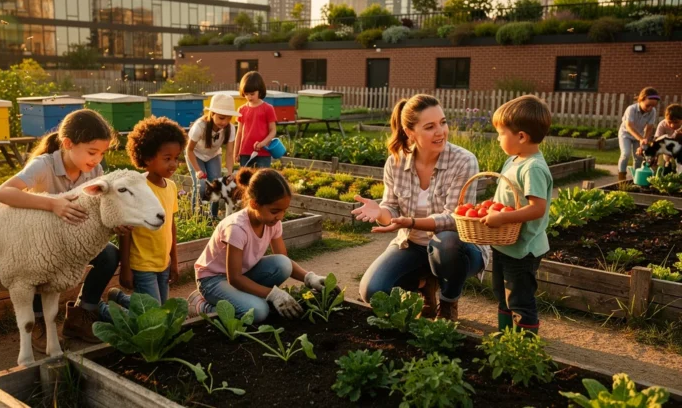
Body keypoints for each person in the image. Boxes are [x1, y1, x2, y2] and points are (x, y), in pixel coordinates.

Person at [351, 94, 489, 321]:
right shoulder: (395, 161)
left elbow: (455, 219)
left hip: (458, 248)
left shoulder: (463, 161)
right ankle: (425, 284)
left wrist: (413, 222)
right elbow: (391, 209)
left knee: (446, 242)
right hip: (413, 244)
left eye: (443, 122)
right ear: (409, 132)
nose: (441, 131)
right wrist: (382, 214)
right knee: (372, 291)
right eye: (430, 126)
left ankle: (448, 302)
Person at [0, 109, 120, 351]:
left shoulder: (95, 171)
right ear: (68, 144)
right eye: (92, 152)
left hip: (72, 238)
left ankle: (82, 314)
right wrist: (52, 204)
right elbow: (2, 193)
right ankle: (38, 322)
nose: (97, 160)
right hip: (38, 242)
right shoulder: (43, 165)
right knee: (41, 267)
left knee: (109, 255)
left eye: (102, 153)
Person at [186, 168, 334, 323]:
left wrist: (309, 278)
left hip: (242, 274)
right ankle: (201, 306)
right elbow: (235, 279)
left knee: (282, 264)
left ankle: (243, 297)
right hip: (213, 280)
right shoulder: (237, 228)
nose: (280, 216)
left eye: (284, 211)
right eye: (275, 211)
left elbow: (283, 259)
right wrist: (273, 294)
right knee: (258, 311)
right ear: (254, 203)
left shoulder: (272, 222)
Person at [480, 95, 553, 334]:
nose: (498, 138)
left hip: (523, 249)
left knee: (520, 299)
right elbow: (509, 198)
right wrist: (492, 205)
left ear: (521, 136)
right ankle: (505, 336)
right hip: (504, 244)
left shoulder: (533, 168)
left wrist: (501, 218)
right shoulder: (513, 160)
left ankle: (524, 346)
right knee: (502, 295)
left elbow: (537, 208)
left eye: (501, 133)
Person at [102, 116, 185, 319]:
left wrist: (173, 262)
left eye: (177, 157)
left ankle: (121, 298)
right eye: (167, 158)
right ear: (147, 158)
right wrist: (126, 268)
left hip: (162, 263)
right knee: (153, 317)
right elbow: (126, 231)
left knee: (158, 311)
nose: (174, 164)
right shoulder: (138, 188)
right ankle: (101, 310)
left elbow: (170, 227)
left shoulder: (172, 187)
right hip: (142, 264)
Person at [186, 93, 238, 219]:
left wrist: (230, 172)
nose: (224, 122)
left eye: (228, 118)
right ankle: (196, 217)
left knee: (216, 184)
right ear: (212, 114)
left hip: (213, 155)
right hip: (195, 155)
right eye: (221, 118)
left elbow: (230, 153)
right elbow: (189, 150)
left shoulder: (230, 128)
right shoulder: (200, 126)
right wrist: (198, 170)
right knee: (201, 185)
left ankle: (212, 216)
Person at [233, 71, 277, 168]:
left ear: (260, 91)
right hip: (245, 152)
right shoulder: (241, 109)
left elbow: (273, 130)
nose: (249, 97)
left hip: (263, 153)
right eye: (246, 94)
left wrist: (262, 143)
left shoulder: (268, 108)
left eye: (252, 94)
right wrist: (236, 152)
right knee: (245, 181)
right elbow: (239, 132)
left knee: (262, 181)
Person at [618, 87, 660, 181]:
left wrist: (644, 141)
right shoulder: (631, 109)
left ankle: (636, 178)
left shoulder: (652, 112)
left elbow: (649, 128)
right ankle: (621, 178)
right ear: (641, 99)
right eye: (647, 105)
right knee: (625, 154)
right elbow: (629, 126)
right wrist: (641, 138)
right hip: (626, 134)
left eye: (653, 106)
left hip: (640, 136)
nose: (649, 108)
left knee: (639, 156)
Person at [654, 104, 682, 174]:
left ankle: (679, 174)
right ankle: (661, 173)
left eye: (676, 122)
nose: (672, 125)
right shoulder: (662, 124)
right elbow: (657, 140)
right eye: (669, 122)